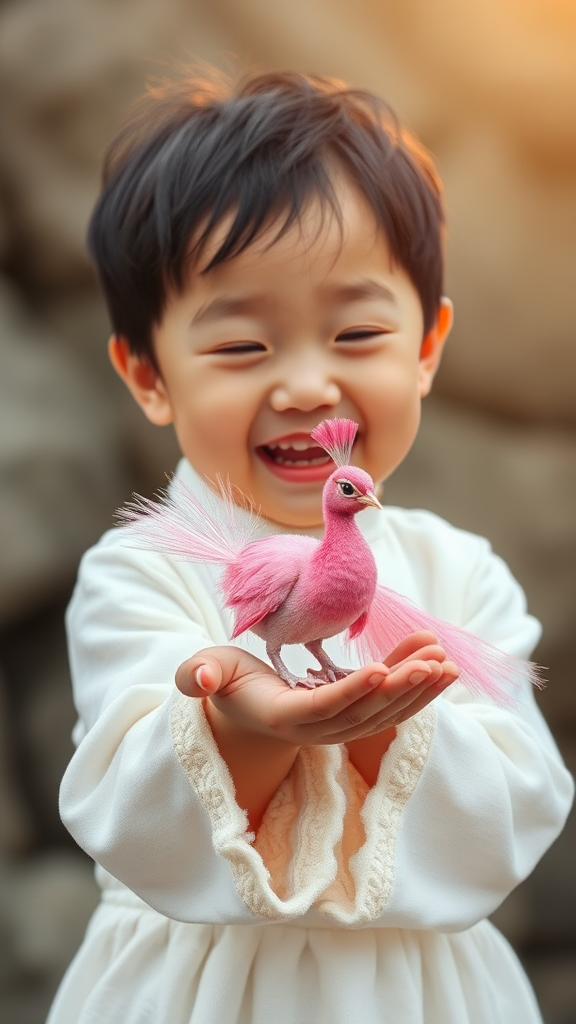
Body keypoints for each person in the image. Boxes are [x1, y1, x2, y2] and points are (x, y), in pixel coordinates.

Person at [47, 68, 573, 1024]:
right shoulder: (145, 570)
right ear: (146, 373)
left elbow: (517, 810)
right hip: (188, 993)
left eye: (358, 330)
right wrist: (245, 727)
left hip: (431, 996)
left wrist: (379, 725)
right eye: (244, 346)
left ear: (426, 348)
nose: (304, 385)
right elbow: (130, 812)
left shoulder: (463, 575)